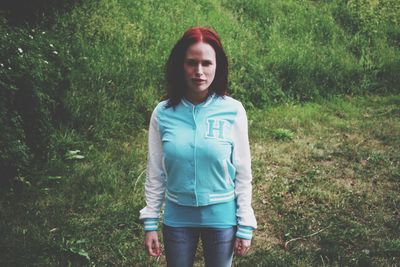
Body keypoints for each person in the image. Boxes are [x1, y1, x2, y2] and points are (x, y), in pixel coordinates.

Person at [139, 26, 257, 267]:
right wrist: (150, 221)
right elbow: (155, 172)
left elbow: (243, 172)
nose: (199, 71)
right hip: (177, 218)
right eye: (192, 63)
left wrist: (245, 222)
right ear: (180, 66)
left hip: (222, 218)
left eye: (207, 63)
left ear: (218, 66)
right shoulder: (162, 114)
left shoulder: (233, 110)